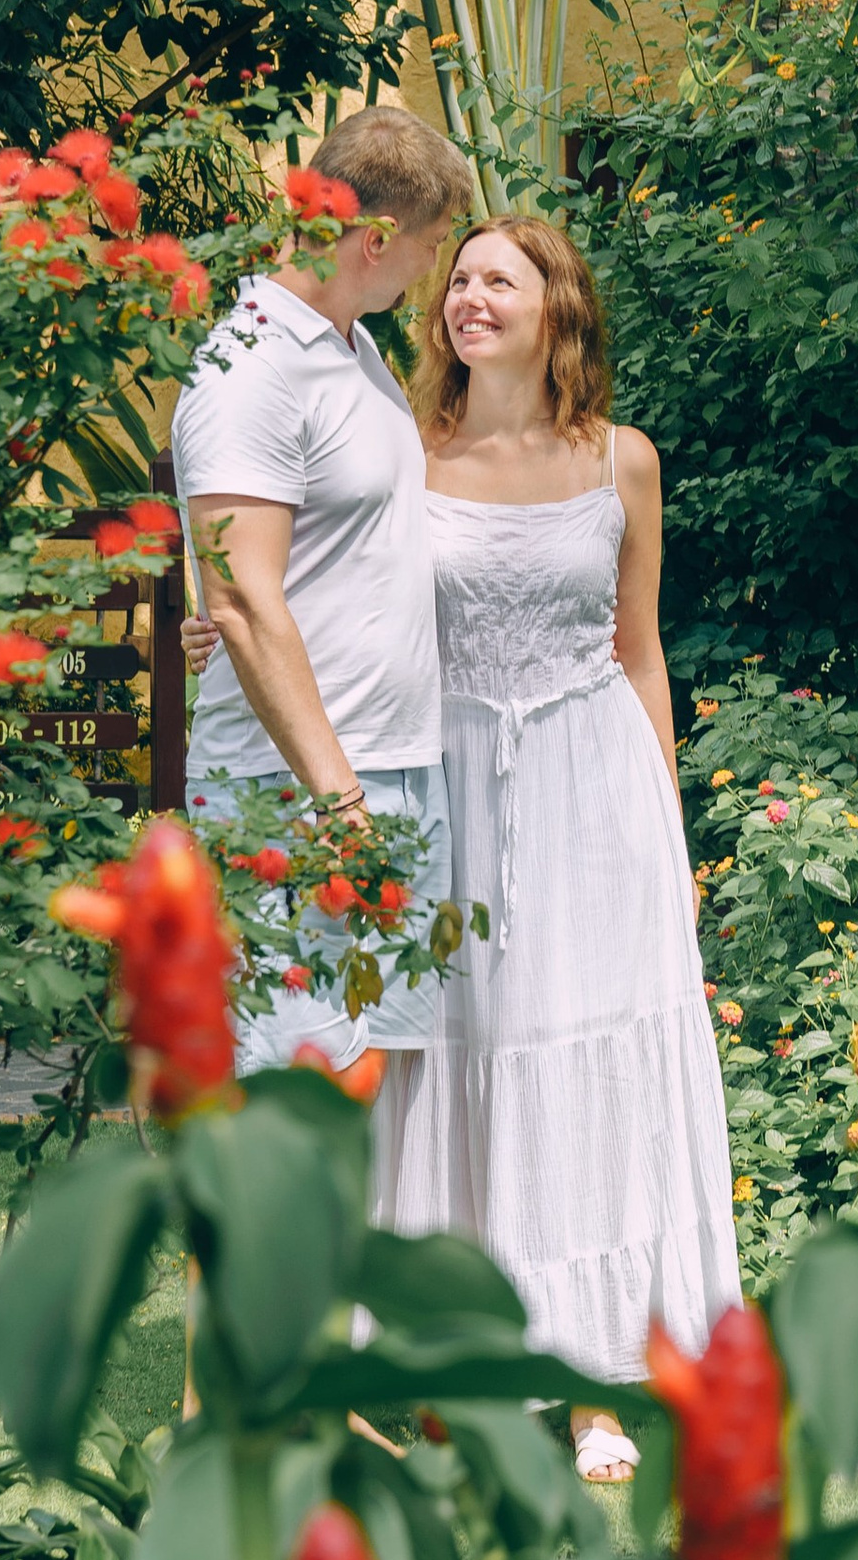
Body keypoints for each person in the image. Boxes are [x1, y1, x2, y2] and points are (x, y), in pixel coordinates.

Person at [185, 216, 742, 1482]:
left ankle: (600, 1380)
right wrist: (216, 632)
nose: (468, 299)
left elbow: (639, 651)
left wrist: (668, 823)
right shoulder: (405, 454)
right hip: (443, 783)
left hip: (592, 786)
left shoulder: (623, 462)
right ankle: (446, 1358)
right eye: (460, 279)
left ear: (561, 308)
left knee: (588, 1065)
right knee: (454, 1061)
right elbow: (302, 584)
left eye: (502, 279)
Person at [171, 104, 475, 1237]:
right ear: (379, 238)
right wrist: (335, 791)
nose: (434, 271)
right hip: (299, 789)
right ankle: (248, 1395)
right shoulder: (252, 366)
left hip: (380, 768)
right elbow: (246, 596)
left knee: (350, 1091)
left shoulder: (350, 354)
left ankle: (322, 1384)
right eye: (435, 244)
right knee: (287, 1100)